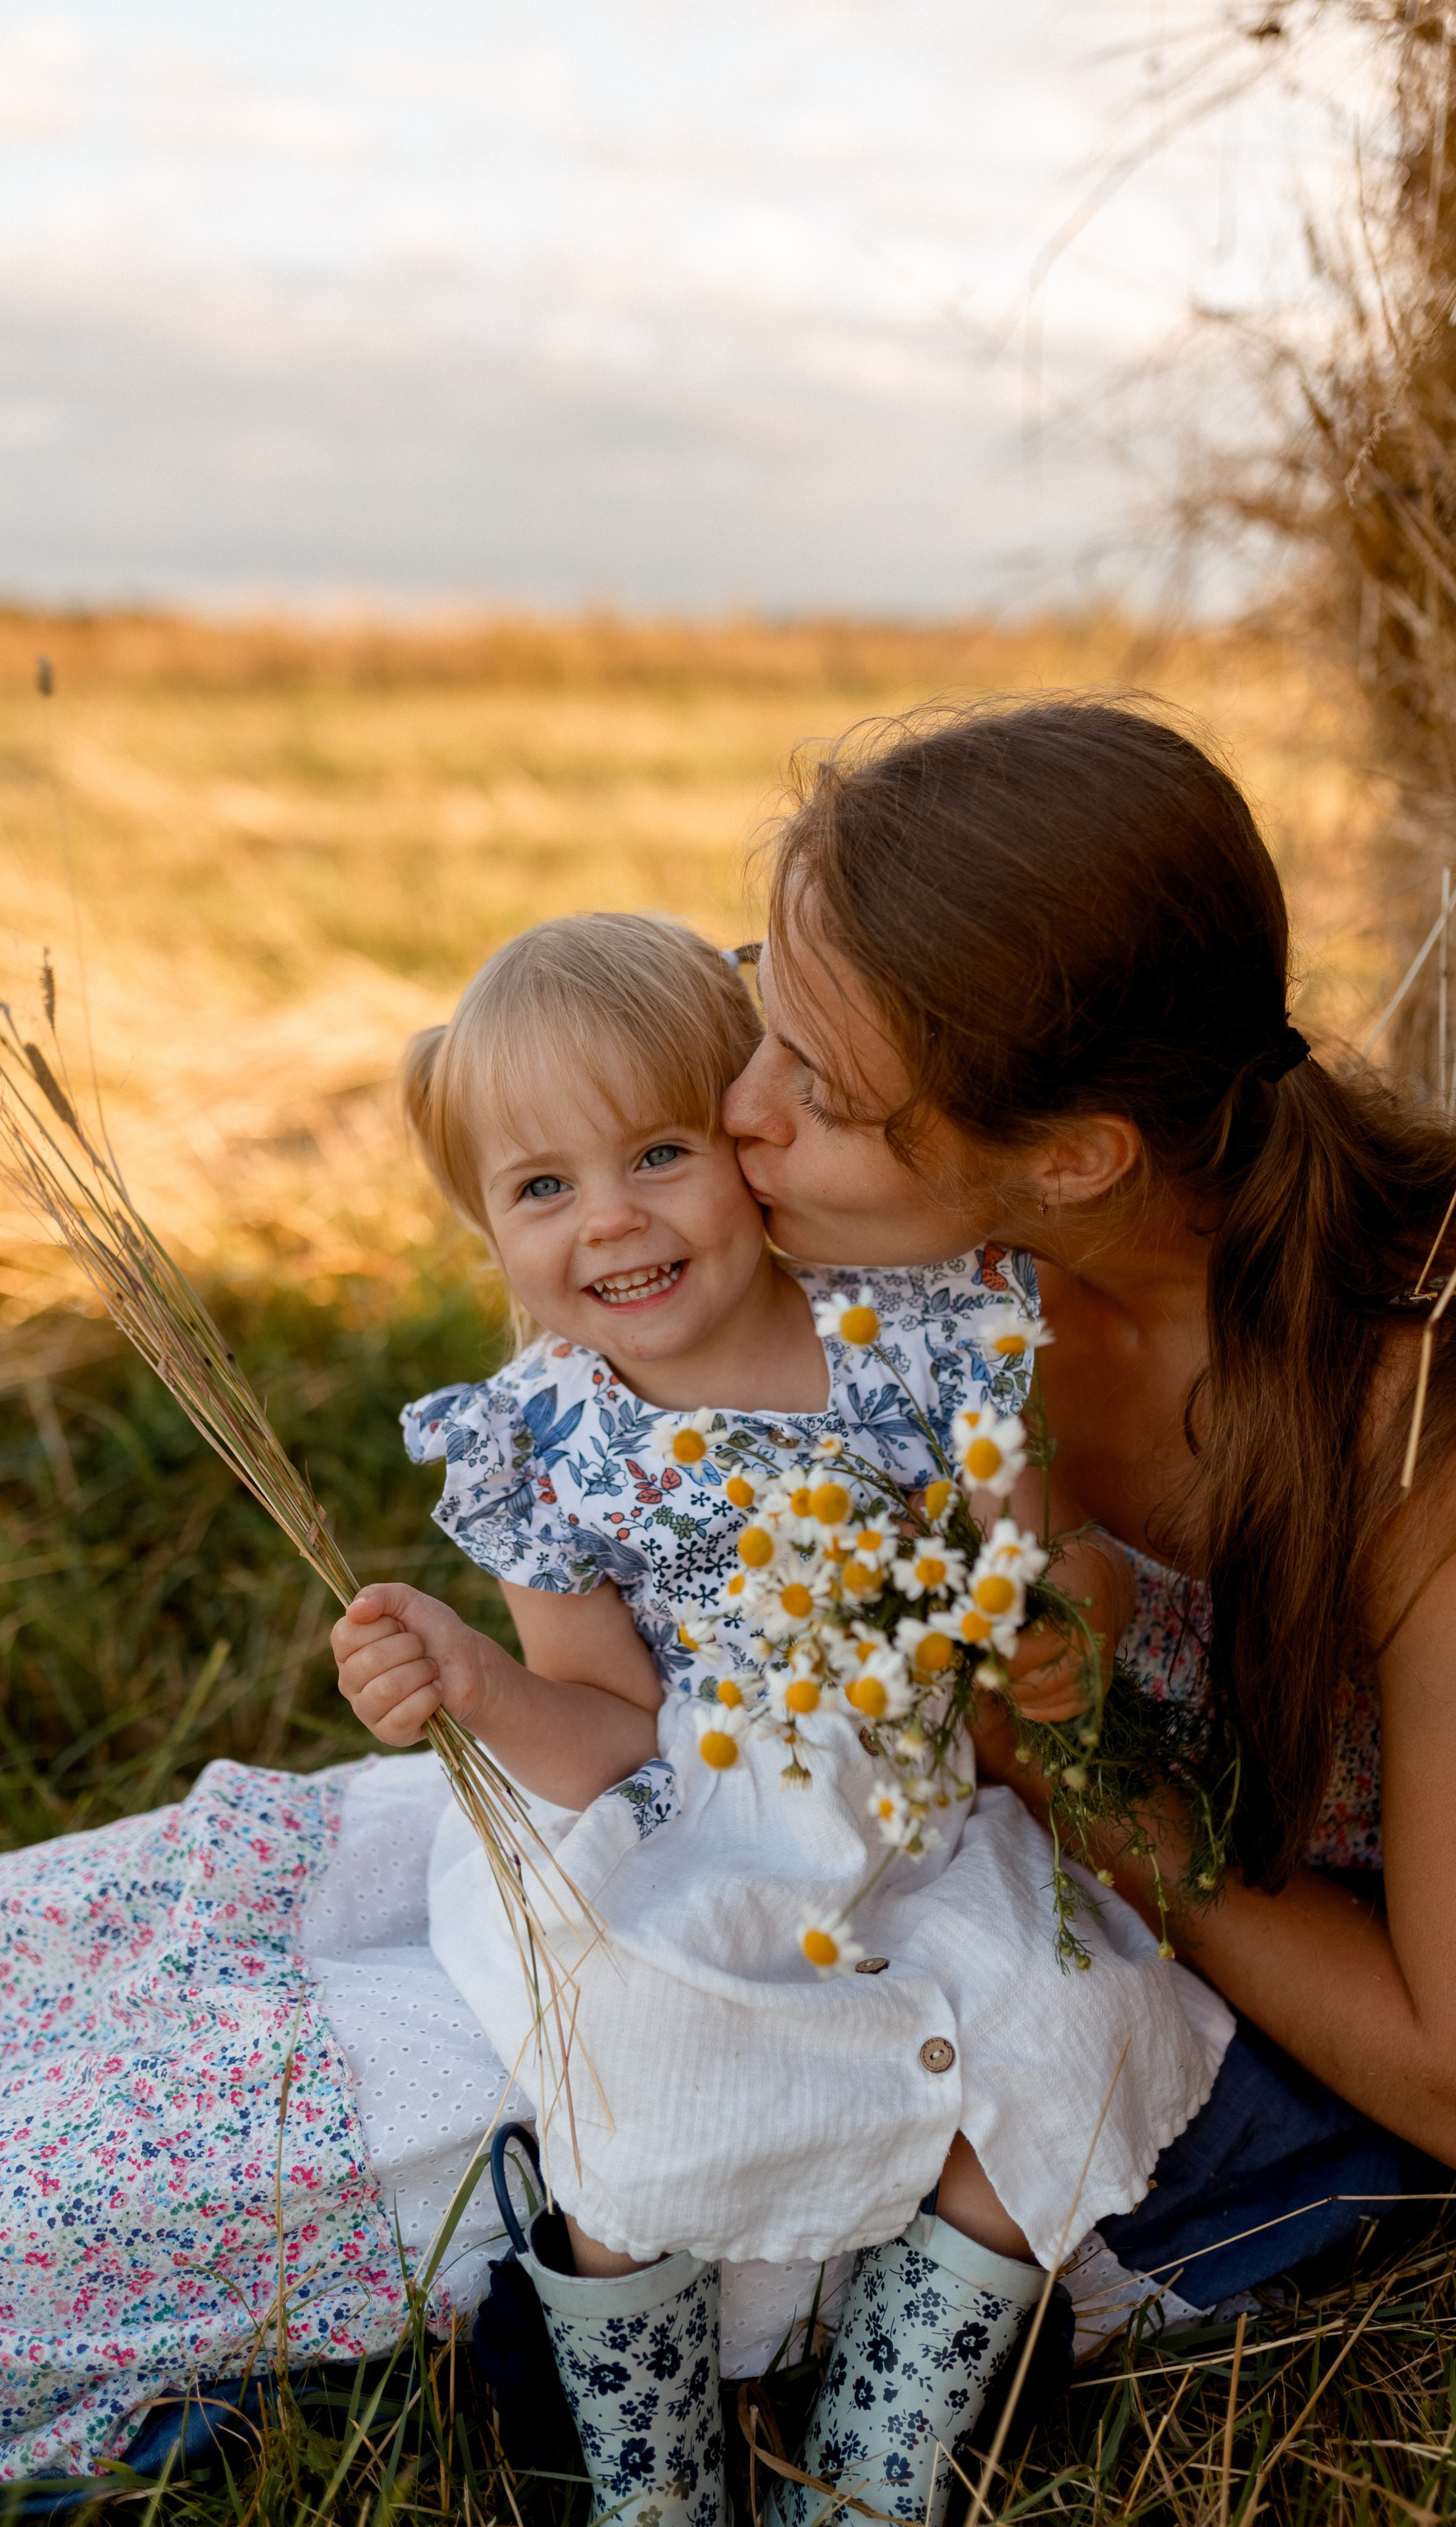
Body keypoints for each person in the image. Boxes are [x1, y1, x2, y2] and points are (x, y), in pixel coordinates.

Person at [330, 909, 1233, 2527]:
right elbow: (607, 1730)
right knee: (639, 2057)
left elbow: (1015, 1570)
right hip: (694, 1810)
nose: (610, 1222)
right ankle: (653, 2478)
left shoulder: (908, 1335)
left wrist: (1039, 1634)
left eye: (657, 1153)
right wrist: (477, 1686)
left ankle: (880, 2458)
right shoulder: (553, 1438)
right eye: (541, 1189)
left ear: (750, 1140)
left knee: (1072, 2027)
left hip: (928, 1808)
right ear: (483, 1223)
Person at [720, 694, 1456, 2342]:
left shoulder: (1451, 1433)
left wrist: (1060, 1769)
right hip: (975, 1921)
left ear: (1077, 1155)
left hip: (1238, 2023)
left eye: (813, 1088)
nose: (738, 1112)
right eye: (759, 1013)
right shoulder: (930, 1290)